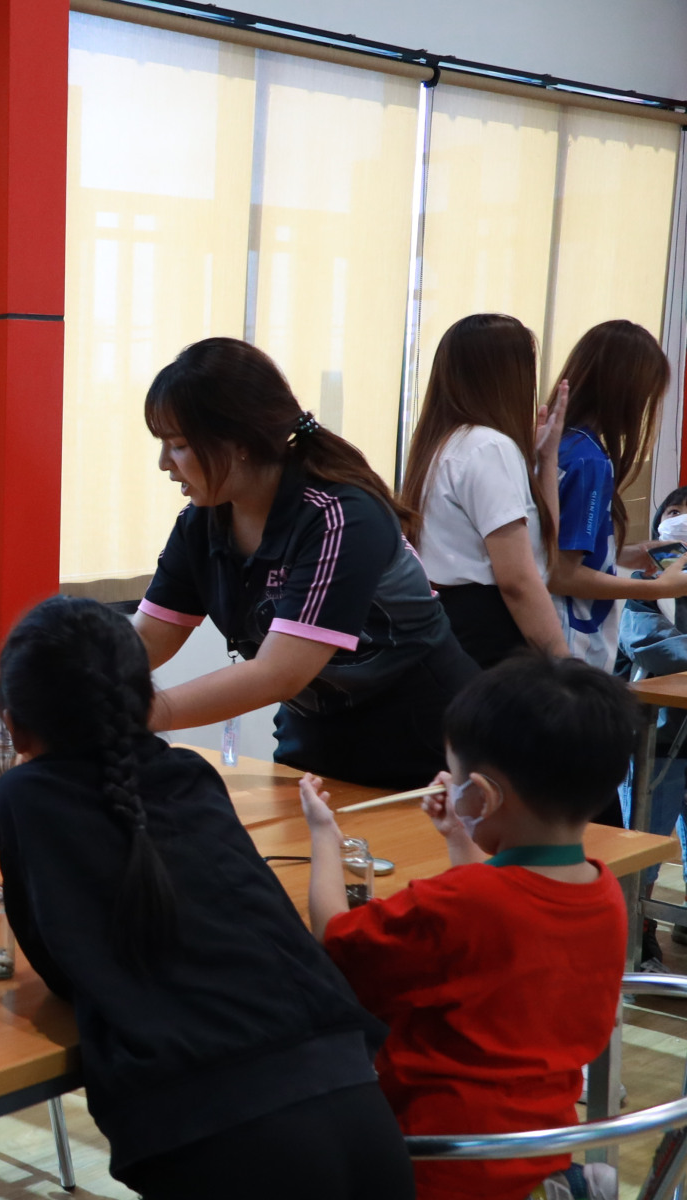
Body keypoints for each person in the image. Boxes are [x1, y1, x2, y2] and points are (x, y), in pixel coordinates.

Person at [0, 596, 412, 1200]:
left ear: (13, 723)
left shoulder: (25, 796)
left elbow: (61, 969)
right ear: (143, 699)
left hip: (214, 1126)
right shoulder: (188, 771)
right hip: (355, 1097)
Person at [299, 655, 630, 1200]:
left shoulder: (461, 902)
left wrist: (323, 836)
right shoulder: (602, 890)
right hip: (537, 1151)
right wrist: (459, 833)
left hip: (441, 1164)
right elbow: (498, 926)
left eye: (455, 778)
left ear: (483, 794)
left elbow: (335, 938)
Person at [134, 337, 477, 789]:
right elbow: (145, 640)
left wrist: (133, 714)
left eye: (177, 445)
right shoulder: (199, 525)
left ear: (239, 441)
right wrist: (72, 680)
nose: (165, 464)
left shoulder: (341, 516)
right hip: (314, 741)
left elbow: (278, 672)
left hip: (424, 744)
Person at [398, 314, 566, 667]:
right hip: (490, 634)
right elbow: (518, 581)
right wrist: (567, 669)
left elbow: (543, 552)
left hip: (450, 628)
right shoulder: (489, 447)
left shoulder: (443, 443)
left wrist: (546, 456)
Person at [544, 319, 683, 670]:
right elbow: (562, 573)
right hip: (570, 642)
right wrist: (658, 589)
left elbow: (556, 548)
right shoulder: (588, 460)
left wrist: (623, 553)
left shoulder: (558, 445)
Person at [618, 486, 687, 969]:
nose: (680, 520)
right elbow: (649, 645)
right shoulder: (641, 587)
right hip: (654, 739)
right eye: (674, 511)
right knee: (642, 841)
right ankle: (635, 933)